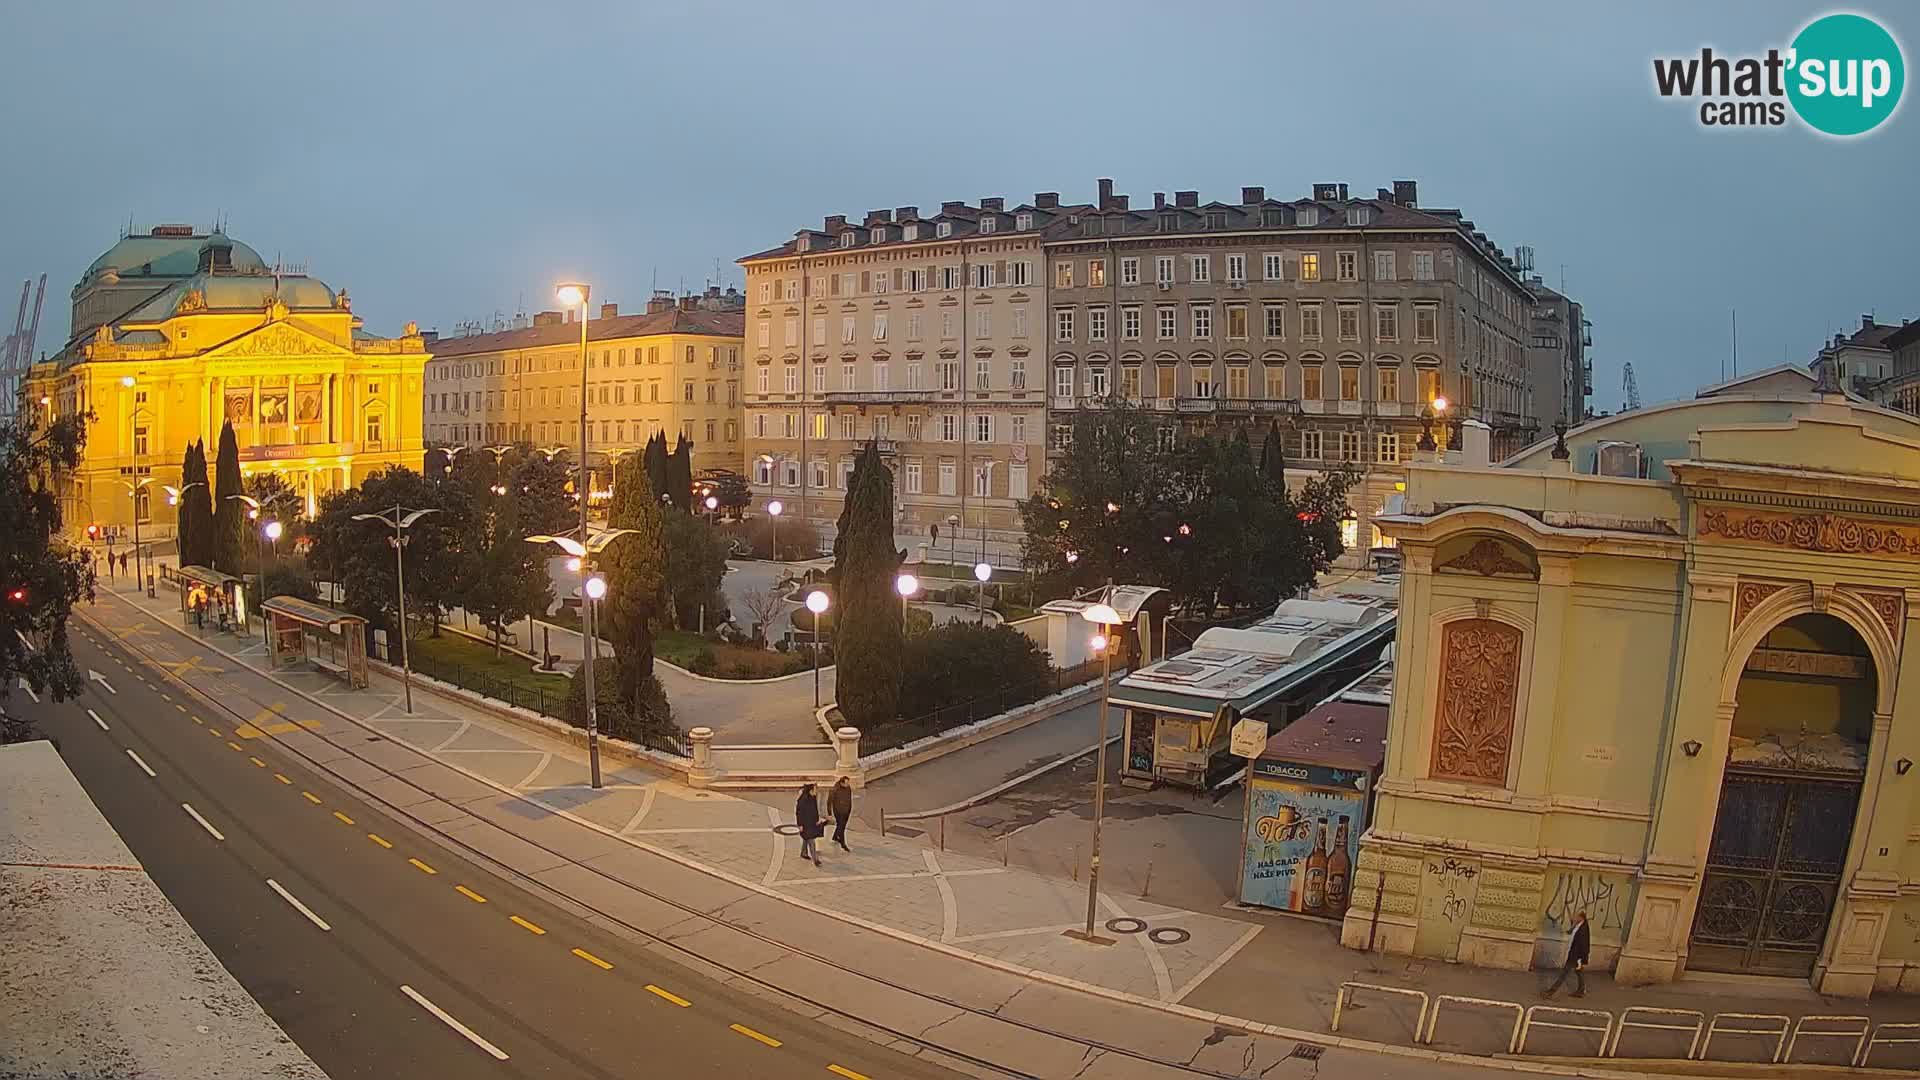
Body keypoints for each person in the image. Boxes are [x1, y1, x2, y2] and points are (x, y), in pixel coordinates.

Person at [1544, 911, 1590, 999]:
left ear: (1581, 917)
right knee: (1579, 972)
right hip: (1574, 955)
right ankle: (1581, 990)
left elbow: (1584, 945)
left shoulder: (1583, 929)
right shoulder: (1578, 926)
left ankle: (1551, 991)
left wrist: (1581, 959)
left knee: (1564, 973)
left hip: (1576, 956)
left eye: (1576, 916)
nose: (1573, 917)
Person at [795, 783, 823, 867]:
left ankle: (803, 853)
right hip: (805, 823)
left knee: (806, 838)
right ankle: (815, 859)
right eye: (815, 789)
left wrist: (817, 819)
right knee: (811, 841)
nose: (817, 791)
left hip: (812, 822)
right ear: (811, 791)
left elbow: (815, 809)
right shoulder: (803, 800)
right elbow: (799, 813)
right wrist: (800, 824)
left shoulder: (813, 797)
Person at [828, 776, 854, 852]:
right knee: (841, 827)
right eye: (846, 783)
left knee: (841, 825)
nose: (848, 784)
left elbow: (849, 798)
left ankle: (835, 836)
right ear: (842, 783)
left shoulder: (848, 788)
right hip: (839, 812)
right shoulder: (834, 790)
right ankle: (843, 844)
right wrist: (829, 813)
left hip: (847, 811)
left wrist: (850, 808)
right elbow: (829, 802)